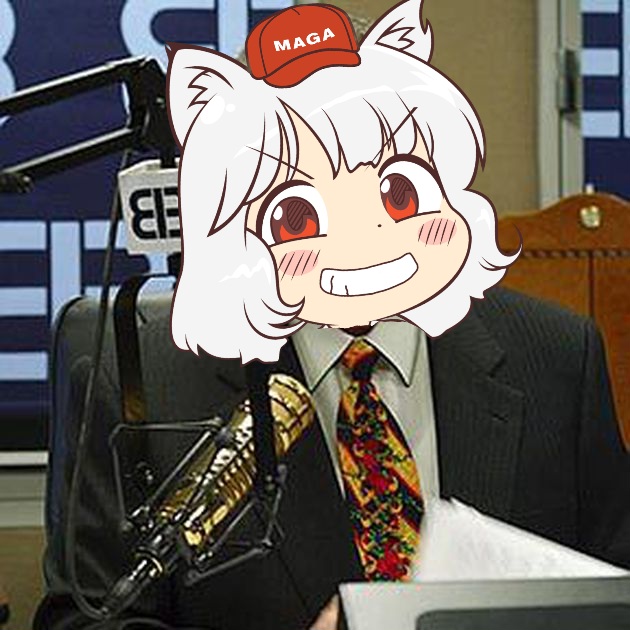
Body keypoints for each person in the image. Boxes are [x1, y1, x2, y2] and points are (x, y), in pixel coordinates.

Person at [33, 2, 630, 629]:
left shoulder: (557, 359)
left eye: (395, 192)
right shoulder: (142, 381)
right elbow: (82, 621)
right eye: (299, 213)